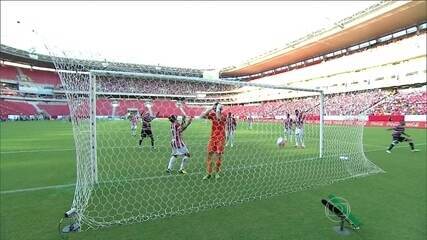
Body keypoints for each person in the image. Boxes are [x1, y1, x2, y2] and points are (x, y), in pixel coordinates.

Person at [200, 102, 227, 180]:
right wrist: (211, 108)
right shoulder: (213, 114)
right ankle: (208, 173)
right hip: (213, 138)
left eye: (216, 108)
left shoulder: (224, 115)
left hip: (221, 138)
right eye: (215, 108)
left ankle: (217, 173)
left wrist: (218, 109)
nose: (215, 109)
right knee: (209, 155)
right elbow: (201, 116)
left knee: (218, 156)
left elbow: (219, 118)